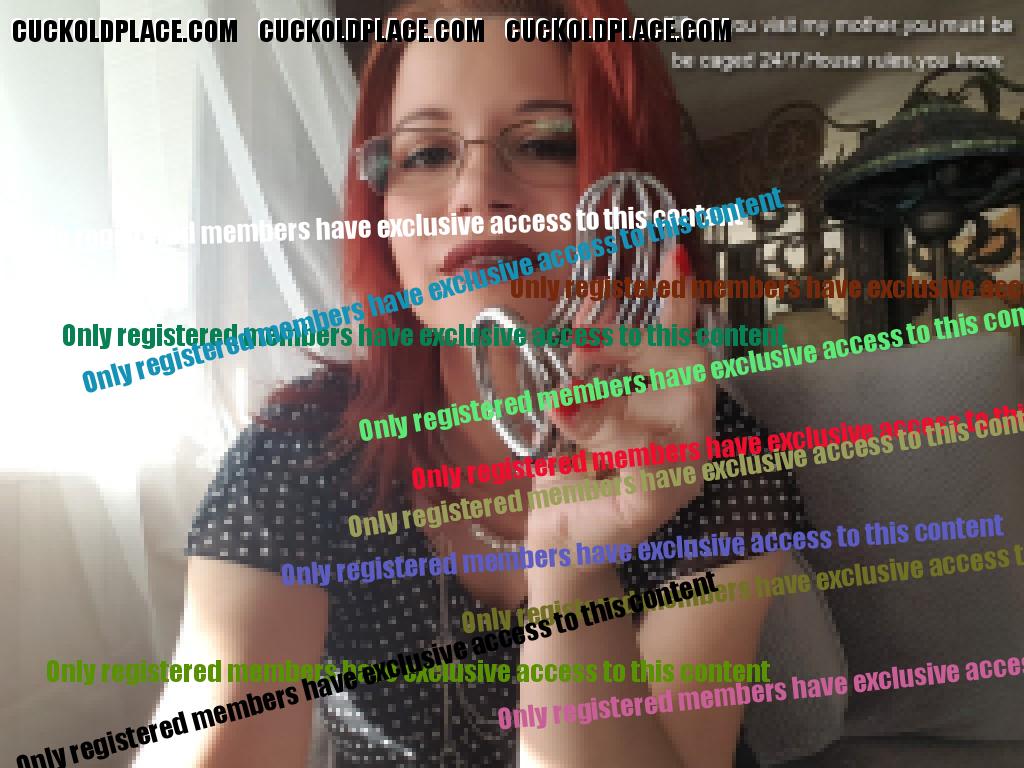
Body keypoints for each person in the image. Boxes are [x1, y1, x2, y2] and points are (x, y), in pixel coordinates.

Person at [138, 2, 807, 765]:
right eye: (425, 154)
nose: (476, 193)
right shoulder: (299, 453)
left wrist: (573, 573)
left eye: (547, 143)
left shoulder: (723, 469)